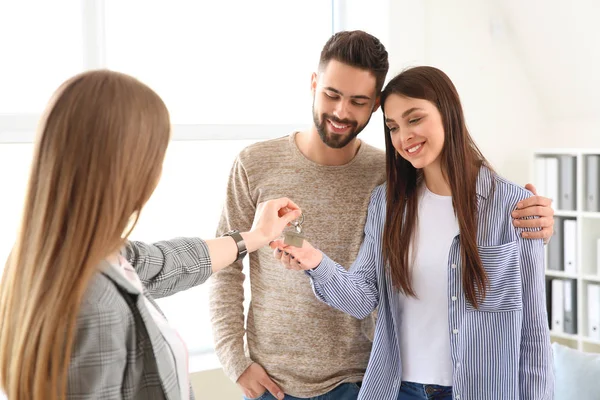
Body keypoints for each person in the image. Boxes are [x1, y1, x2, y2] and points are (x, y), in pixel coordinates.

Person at [210, 31, 555, 400]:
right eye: (394, 127)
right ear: (314, 83)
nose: (404, 137)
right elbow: (229, 265)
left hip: (370, 379)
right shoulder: (385, 197)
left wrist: (542, 226)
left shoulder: (500, 205)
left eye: (358, 101)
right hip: (303, 384)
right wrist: (237, 359)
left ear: (372, 105)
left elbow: (533, 338)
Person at [0, 70, 301, 400]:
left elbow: (165, 263)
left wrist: (256, 236)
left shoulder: (62, 254)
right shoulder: (93, 303)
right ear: (125, 167)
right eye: (156, 155)